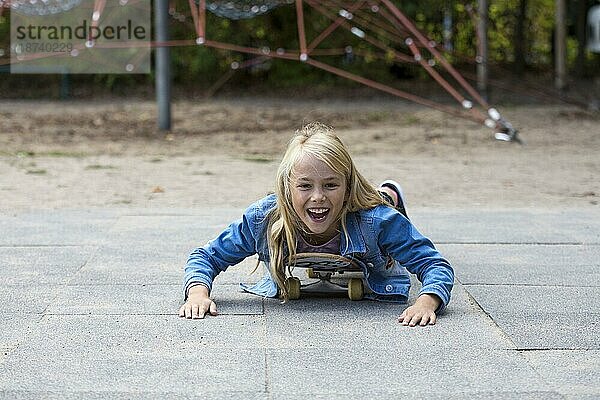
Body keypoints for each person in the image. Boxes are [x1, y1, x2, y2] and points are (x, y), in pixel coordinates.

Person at [179, 122, 454, 327]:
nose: (318, 196)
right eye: (305, 186)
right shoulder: (264, 219)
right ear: (287, 188)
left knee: (381, 207)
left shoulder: (377, 222)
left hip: (367, 218)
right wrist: (197, 294)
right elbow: (207, 256)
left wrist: (427, 301)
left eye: (331, 184)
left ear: (347, 186)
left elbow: (434, 264)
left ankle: (388, 195)